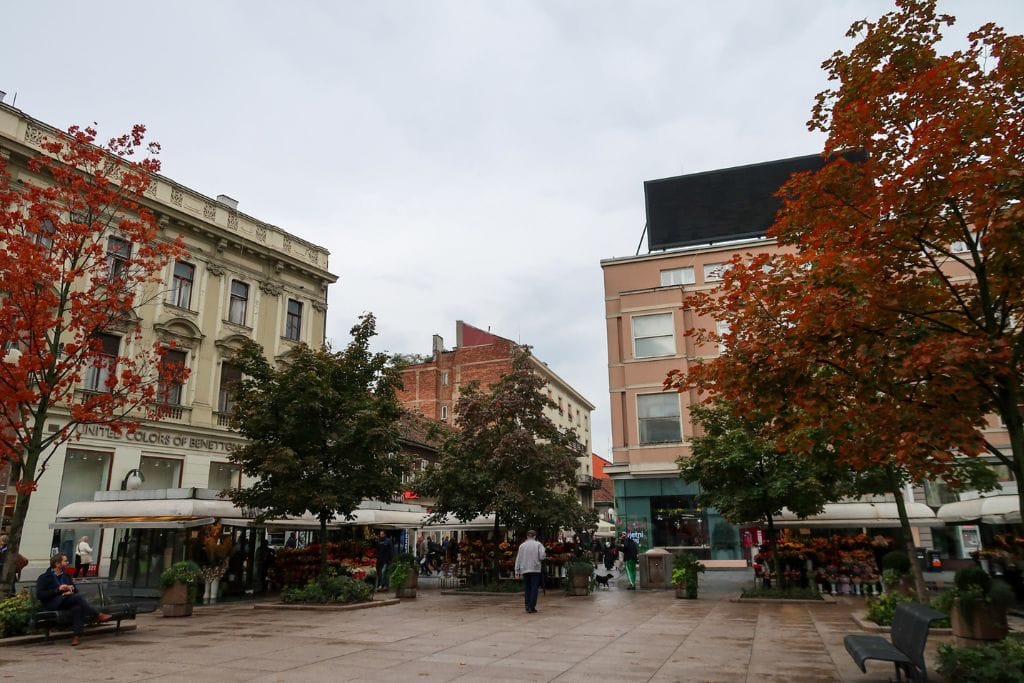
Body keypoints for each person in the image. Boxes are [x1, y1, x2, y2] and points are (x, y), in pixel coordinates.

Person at [35, 553, 111, 646]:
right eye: (65, 561)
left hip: (66, 601)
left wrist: (70, 591)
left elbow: (75, 590)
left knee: (77, 608)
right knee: (78, 598)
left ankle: (76, 636)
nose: (68, 562)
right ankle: (97, 615)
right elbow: (40, 595)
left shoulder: (66, 576)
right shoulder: (44, 577)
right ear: (57, 563)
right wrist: (58, 590)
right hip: (52, 603)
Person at [514, 530, 546, 614]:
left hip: (525, 569)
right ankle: (532, 607)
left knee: (527, 588)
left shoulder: (522, 546)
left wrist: (517, 571)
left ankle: (527, 605)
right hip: (535, 569)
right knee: (534, 588)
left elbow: (518, 559)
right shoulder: (538, 544)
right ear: (535, 536)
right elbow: (542, 556)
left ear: (527, 536)